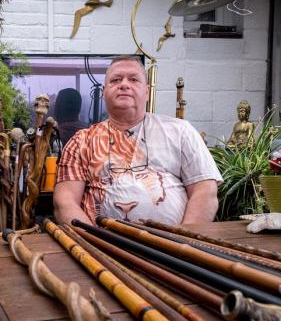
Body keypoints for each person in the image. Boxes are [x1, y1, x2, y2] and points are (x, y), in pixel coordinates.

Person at [53, 55, 221, 225]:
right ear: (104, 92)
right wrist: (92, 245)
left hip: (175, 247)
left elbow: (205, 191)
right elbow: (65, 203)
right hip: (99, 246)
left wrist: (184, 243)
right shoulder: (81, 141)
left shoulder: (181, 131)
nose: (124, 84)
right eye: (116, 80)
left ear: (147, 92)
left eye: (133, 79)